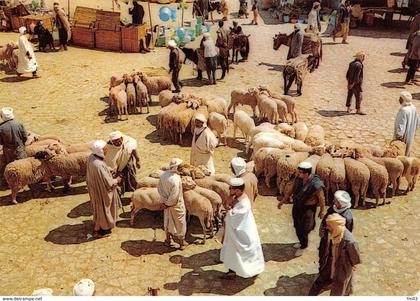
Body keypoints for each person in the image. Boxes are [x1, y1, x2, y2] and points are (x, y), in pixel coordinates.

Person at [220, 177, 265, 279]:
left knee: (242, 252)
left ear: (237, 190)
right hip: (235, 233)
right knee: (233, 252)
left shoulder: (244, 204)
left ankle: (250, 270)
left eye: (230, 188)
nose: (229, 190)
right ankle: (232, 270)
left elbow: (235, 218)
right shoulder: (238, 198)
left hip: (241, 232)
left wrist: (228, 208)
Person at [278, 161, 325, 257]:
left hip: (308, 208)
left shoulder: (316, 183)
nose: (298, 173)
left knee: (305, 227)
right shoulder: (298, 179)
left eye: (300, 172)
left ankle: (303, 245)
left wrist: (322, 210)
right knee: (297, 225)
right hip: (297, 205)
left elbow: (321, 198)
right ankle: (302, 241)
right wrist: (282, 201)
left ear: (306, 174)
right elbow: (291, 190)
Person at [308, 214, 361, 296]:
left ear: (335, 226)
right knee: (320, 281)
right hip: (330, 263)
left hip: (342, 268)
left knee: (339, 288)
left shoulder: (349, 241)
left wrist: (352, 265)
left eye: (329, 225)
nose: (327, 228)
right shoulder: (333, 233)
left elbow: (355, 257)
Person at [86, 140, 122, 238]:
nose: (107, 150)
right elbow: (109, 183)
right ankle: (103, 229)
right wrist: (117, 180)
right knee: (103, 209)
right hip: (101, 191)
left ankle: (97, 228)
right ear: (100, 150)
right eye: (105, 149)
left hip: (94, 188)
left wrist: (109, 170)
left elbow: (102, 169)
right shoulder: (99, 165)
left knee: (98, 209)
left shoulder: (92, 157)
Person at [318, 190, 353, 270]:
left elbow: (347, 232)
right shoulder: (333, 208)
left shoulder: (347, 216)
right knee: (323, 256)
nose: (333, 201)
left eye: (336, 200)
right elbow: (325, 219)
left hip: (337, 242)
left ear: (341, 203)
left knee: (333, 259)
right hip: (326, 238)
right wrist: (322, 228)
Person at [158, 158, 188, 250]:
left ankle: (167, 240)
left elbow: (159, 189)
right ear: (175, 167)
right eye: (180, 167)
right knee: (180, 222)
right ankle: (182, 243)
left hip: (165, 203)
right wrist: (168, 204)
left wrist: (164, 201)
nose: (182, 168)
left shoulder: (163, 175)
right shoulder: (175, 179)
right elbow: (174, 195)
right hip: (176, 205)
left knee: (167, 220)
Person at [394, 91, 420, 156]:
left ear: (404, 100)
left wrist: (399, 136)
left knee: (401, 153)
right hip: (411, 134)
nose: (399, 100)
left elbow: (401, 124)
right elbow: (417, 122)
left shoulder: (403, 111)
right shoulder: (413, 108)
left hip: (403, 136)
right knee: (408, 150)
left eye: (400, 98)